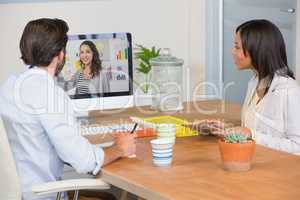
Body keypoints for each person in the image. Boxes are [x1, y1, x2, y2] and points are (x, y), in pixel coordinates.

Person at [0, 18, 135, 200]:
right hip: (42, 194)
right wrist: (119, 148)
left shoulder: (9, 85)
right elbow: (84, 161)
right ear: (60, 54)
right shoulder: (50, 94)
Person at [191, 19, 300, 155]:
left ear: (256, 49)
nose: (232, 51)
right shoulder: (255, 82)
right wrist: (225, 130)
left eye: (237, 47)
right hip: (252, 162)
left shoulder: (289, 90)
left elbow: (297, 147)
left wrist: (250, 134)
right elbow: (252, 132)